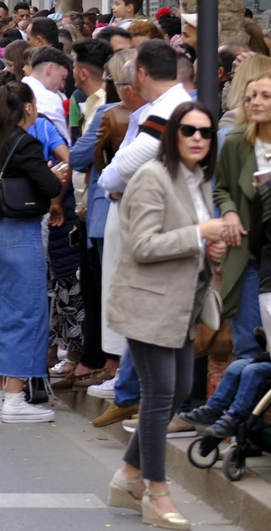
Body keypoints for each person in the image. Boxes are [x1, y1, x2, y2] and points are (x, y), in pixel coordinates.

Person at [105, 103, 238, 528]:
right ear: (173, 135)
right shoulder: (152, 176)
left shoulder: (196, 179)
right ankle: (155, 490)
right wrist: (200, 234)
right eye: (188, 130)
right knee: (162, 393)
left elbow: (186, 241)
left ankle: (128, 474)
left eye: (205, 132)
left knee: (178, 388)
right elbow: (142, 245)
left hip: (181, 304)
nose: (198, 138)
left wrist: (210, 249)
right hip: (149, 303)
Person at [0, 80, 67, 422]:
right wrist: (58, 174)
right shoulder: (25, 143)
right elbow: (51, 185)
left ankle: (1, 394)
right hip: (20, 232)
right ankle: (14, 397)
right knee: (27, 313)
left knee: (5, 312)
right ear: (28, 107)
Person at [212, 71, 271, 361]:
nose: (254, 103)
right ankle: (249, 405)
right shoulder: (235, 141)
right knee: (248, 342)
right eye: (250, 98)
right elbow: (221, 189)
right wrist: (230, 211)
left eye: (264, 96)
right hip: (247, 250)